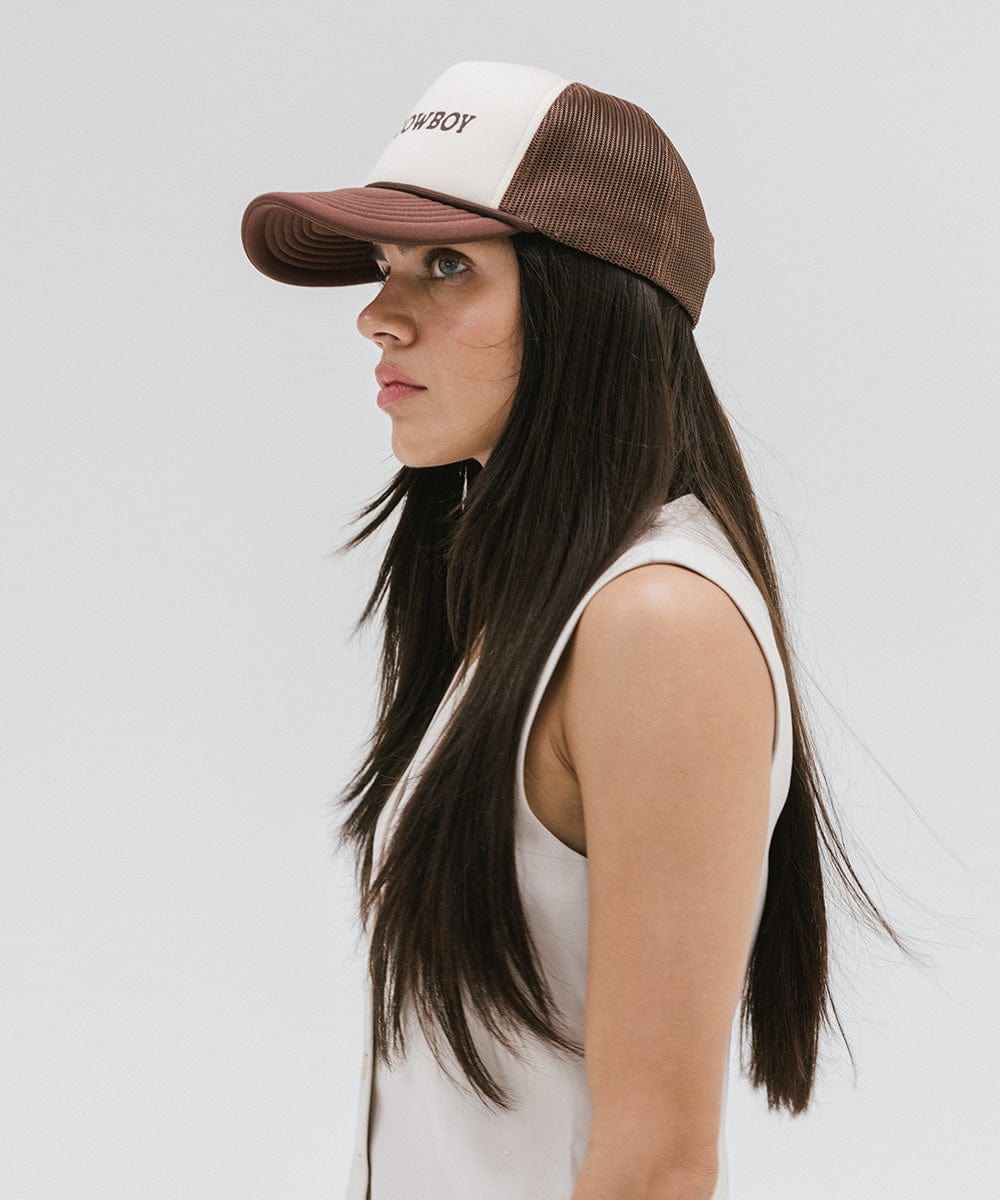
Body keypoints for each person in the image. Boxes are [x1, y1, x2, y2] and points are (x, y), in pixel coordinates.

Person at [241, 60, 910, 1200]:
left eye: (447, 265)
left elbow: (656, 1165)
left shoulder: (658, 623)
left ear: (585, 305)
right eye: (388, 263)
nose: (376, 314)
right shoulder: (535, 604)